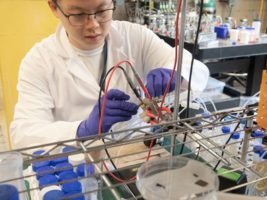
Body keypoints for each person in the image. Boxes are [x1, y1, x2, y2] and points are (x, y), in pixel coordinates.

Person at [10, 0, 209, 149]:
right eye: (78, 15)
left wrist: (175, 73)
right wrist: (82, 130)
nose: (93, 25)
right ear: (54, 8)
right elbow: (23, 133)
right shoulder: (39, 61)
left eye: (102, 11)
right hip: (78, 162)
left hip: (138, 151)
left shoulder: (135, 36)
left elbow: (194, 67)